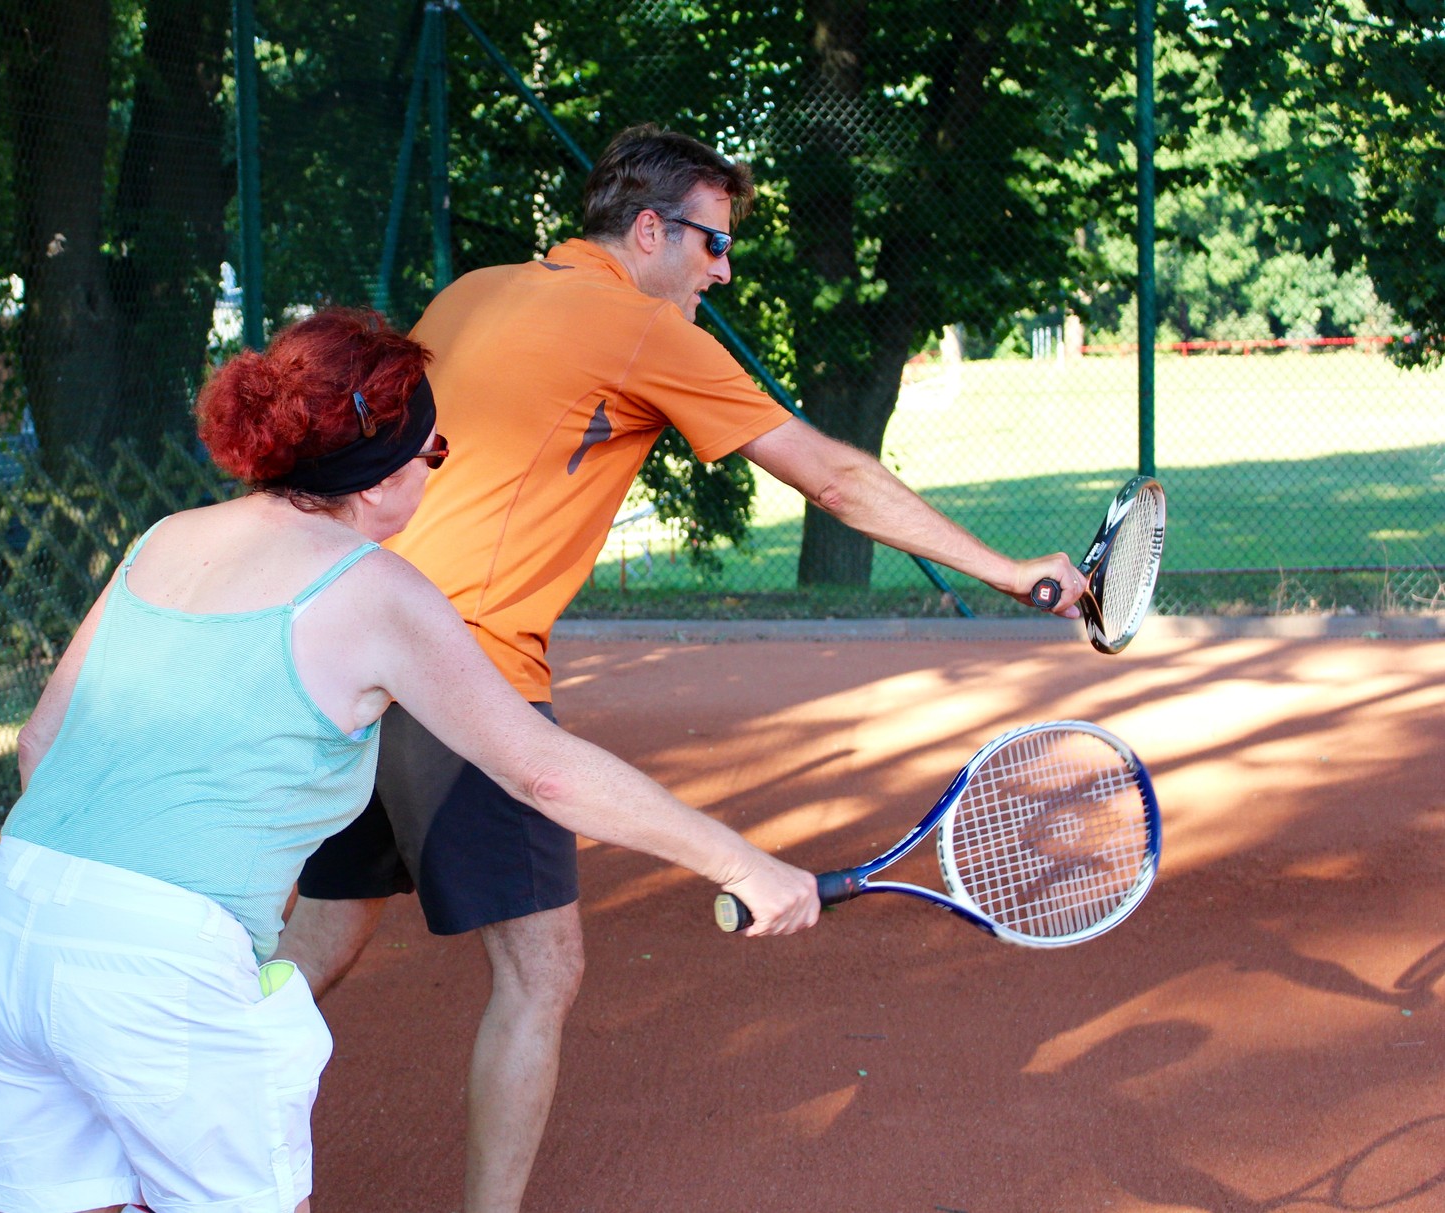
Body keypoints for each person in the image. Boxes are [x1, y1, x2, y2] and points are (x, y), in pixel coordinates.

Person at [280, 125, 1093, 1213]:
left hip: (338, 645)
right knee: (542, 971)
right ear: (650, 230)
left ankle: (167, 1144)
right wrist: (1003, 570)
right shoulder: (633, 325)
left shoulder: (472, 291)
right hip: (457, 667)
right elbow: (836, 480)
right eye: (712, 245)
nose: (722, 270)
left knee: (319, 937)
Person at [0, 307, 820, 1213]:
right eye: (437, 451)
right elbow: (542, 770)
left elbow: (39, 741)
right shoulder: (374, 589)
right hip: (161, 968)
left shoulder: (166, 537)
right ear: (381, 476)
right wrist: (740, 861)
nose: (440, 470)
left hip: (14, 924)